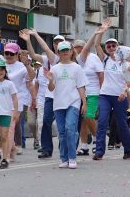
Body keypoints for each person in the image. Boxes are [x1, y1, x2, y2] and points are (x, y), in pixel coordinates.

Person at [19, 29, 65, 159]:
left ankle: (64, 147)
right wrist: (28, 41)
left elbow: (45, 47)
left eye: (60, 42)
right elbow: (33, 55)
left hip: (63, 96)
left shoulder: (58, 59)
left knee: (64, 124)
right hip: (49, 96)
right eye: (55, 43)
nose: (57, 45)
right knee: (45, 121)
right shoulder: (47, 60)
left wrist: (35, 34)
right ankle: (46, 148)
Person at [92, 20, 130, 161]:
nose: (110, 47)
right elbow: (97, 45)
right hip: (105, 95)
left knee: (121, 123)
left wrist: (124, 92)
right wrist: (102, 30)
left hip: (120, 97)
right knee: (102, 121)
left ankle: (128, 149)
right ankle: (99, 152)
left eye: (113, 45)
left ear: (118, 47)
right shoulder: (104, 60)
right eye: (108, 45)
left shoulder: (125, 63)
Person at [46, 41, 88, 169]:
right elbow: (51, 88)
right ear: (58, 53)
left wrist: (84, 103)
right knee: (62, 132)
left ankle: (72, 157)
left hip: (73, 102)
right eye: (62, 50)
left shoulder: (77, 67)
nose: (65, 52)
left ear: (71, 51)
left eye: (67, 50)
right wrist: (50, 80)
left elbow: (81, 86)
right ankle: (64, 158)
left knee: (71, 129)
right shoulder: (55, 68)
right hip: (59, 103)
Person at [2, 43, 35, 161]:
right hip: (2, 100)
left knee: (11, 126)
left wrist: (27, 65)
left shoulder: (21, 66)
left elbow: (31, 77)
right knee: (2, 127)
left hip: (18, 100)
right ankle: (12, 148)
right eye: (7, 53)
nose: (9, 55)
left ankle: (7, 153)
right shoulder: (1, 64)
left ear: (17, 54)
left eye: (12, 53)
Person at [74, 37, 104, 155]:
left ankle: (97, 141)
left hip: (93, 91)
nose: (75, 51)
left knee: (88, 116)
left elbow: (101, 75)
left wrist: (102, 92)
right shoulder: (76, 60)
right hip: (80, 93)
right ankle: (84, 145)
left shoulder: (93, 58)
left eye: (76, 49)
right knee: (82, 120)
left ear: (82, 48)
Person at [28, 60, 46, 150]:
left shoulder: (46, 71)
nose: (37, 66)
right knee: (31, 123)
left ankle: (40, 142)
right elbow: (34, 87)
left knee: (41, 123)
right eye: (35, 65)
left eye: (38, 65)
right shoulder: (31, 73)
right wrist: (33, 100)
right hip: (32, 100)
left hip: (42, 101)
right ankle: (36, 138)